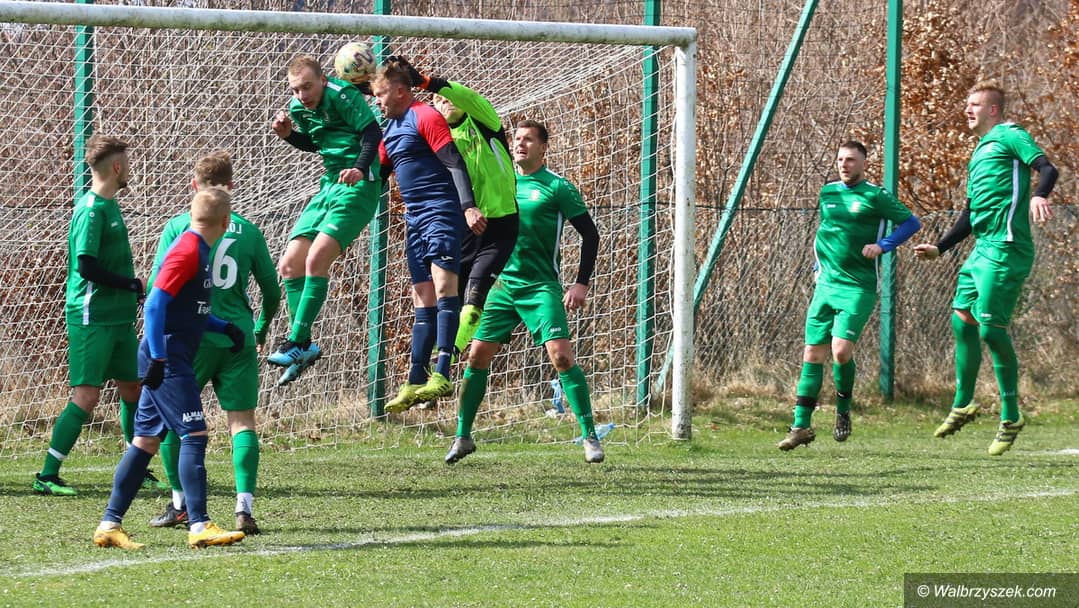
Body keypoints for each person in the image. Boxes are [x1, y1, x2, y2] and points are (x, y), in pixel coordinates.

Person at [93, 188, 247, 550]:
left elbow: (187, 310)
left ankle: (109, 525)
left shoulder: (198, 250)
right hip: (168, 358)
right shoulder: (188, 250)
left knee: (145, 441)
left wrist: (224, 327)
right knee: (194, 434)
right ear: (226, 221)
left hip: (166, 354)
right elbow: (154, 304)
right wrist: (160, 358)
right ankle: (199, 525)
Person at [445, 120, 603, 465]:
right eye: (516, 138)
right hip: (501, 285)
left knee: (561, 357)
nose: (519, 144)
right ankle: (462, 436)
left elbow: (590, 235)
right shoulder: (499, 182)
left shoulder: (557, 187)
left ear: (543, 147)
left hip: (540, 286)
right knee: (476, 356)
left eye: (528, 139)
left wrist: (581, 283)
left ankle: (590, 436)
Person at [915, 80, 1058, 456]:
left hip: (1007, 248)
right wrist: (941, 247)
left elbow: (1047, 168)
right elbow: (969, 213)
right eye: (968, 104)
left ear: (993, 110)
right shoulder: (979, 151)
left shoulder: (1011, 135)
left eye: (975, 104)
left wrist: (1039, 195)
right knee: (962, 320)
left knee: (993, 331)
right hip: (982, 249)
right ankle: (963, 403)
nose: (967, 110)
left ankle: (1011, 415)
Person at [146, 152, 280, 535]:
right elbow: (272, 290)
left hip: (192, 338)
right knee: (242, 422)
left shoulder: (178, 227)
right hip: (237, 336)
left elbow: (157, 286)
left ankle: (180, 504)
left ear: (194, 186)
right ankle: (244, 508)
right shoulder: (249, 231)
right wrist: (260, 328)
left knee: (175, 423)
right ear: (231, 187)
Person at [34, 135, 167, 496]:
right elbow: (86, 267)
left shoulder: (110, 205)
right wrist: (132, 284)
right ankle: (47, 475)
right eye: (128, 163)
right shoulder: (91, 210)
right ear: (117, 167)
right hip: (91, 317)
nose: (131, 170)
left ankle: (135, 466)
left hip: (119, 317)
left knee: (132, 388)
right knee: (87, 396)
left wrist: (131, 291)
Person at [778, 140, 921, 451]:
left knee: (841, 352)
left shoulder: (876, 196)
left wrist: (883, 246)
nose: (845, 164)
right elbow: (827, 232)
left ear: (864, 163)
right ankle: (800, 426)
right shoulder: (828, 193)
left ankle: (843, 411)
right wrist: (817, 266)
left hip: (858, 286)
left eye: (851, 160)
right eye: (841, 159)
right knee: (812, 354)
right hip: (825, 285)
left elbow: (911, 223)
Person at [390, 56, 519, 359]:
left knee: (474, 303)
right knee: (447, 301)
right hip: (464, 229)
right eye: (437, 100)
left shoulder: (484, 122)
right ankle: (436, 366)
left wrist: (427, 83)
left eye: (446, 96)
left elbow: (467, 96)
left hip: (500, 224)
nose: (443, 101)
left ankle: (447, 355)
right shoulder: (437, 141)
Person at [269, 54, 383, 385]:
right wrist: (289, 135)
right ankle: (304, 346)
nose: (301, 95)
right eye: (295, 89)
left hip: (359, 186)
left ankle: (296, 341)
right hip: (329, 186)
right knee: (289, 264)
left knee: (316, 259)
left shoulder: (343, 95)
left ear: (322, 79)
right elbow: (316, 143)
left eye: (307, 86)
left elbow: (372, 133)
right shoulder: (297, 109)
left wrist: (359, 168)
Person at [370, 59, 474, 413]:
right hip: (413, 219)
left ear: (401, 91)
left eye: (381, 94)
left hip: (441, 212)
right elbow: (378, 174)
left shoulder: (425, 116)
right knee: (422, 296)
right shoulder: (389, 129)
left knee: (445, 288)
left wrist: (468, 207)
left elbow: (454, 161)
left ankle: (442, 372)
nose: (377, 101)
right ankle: (415, 379)